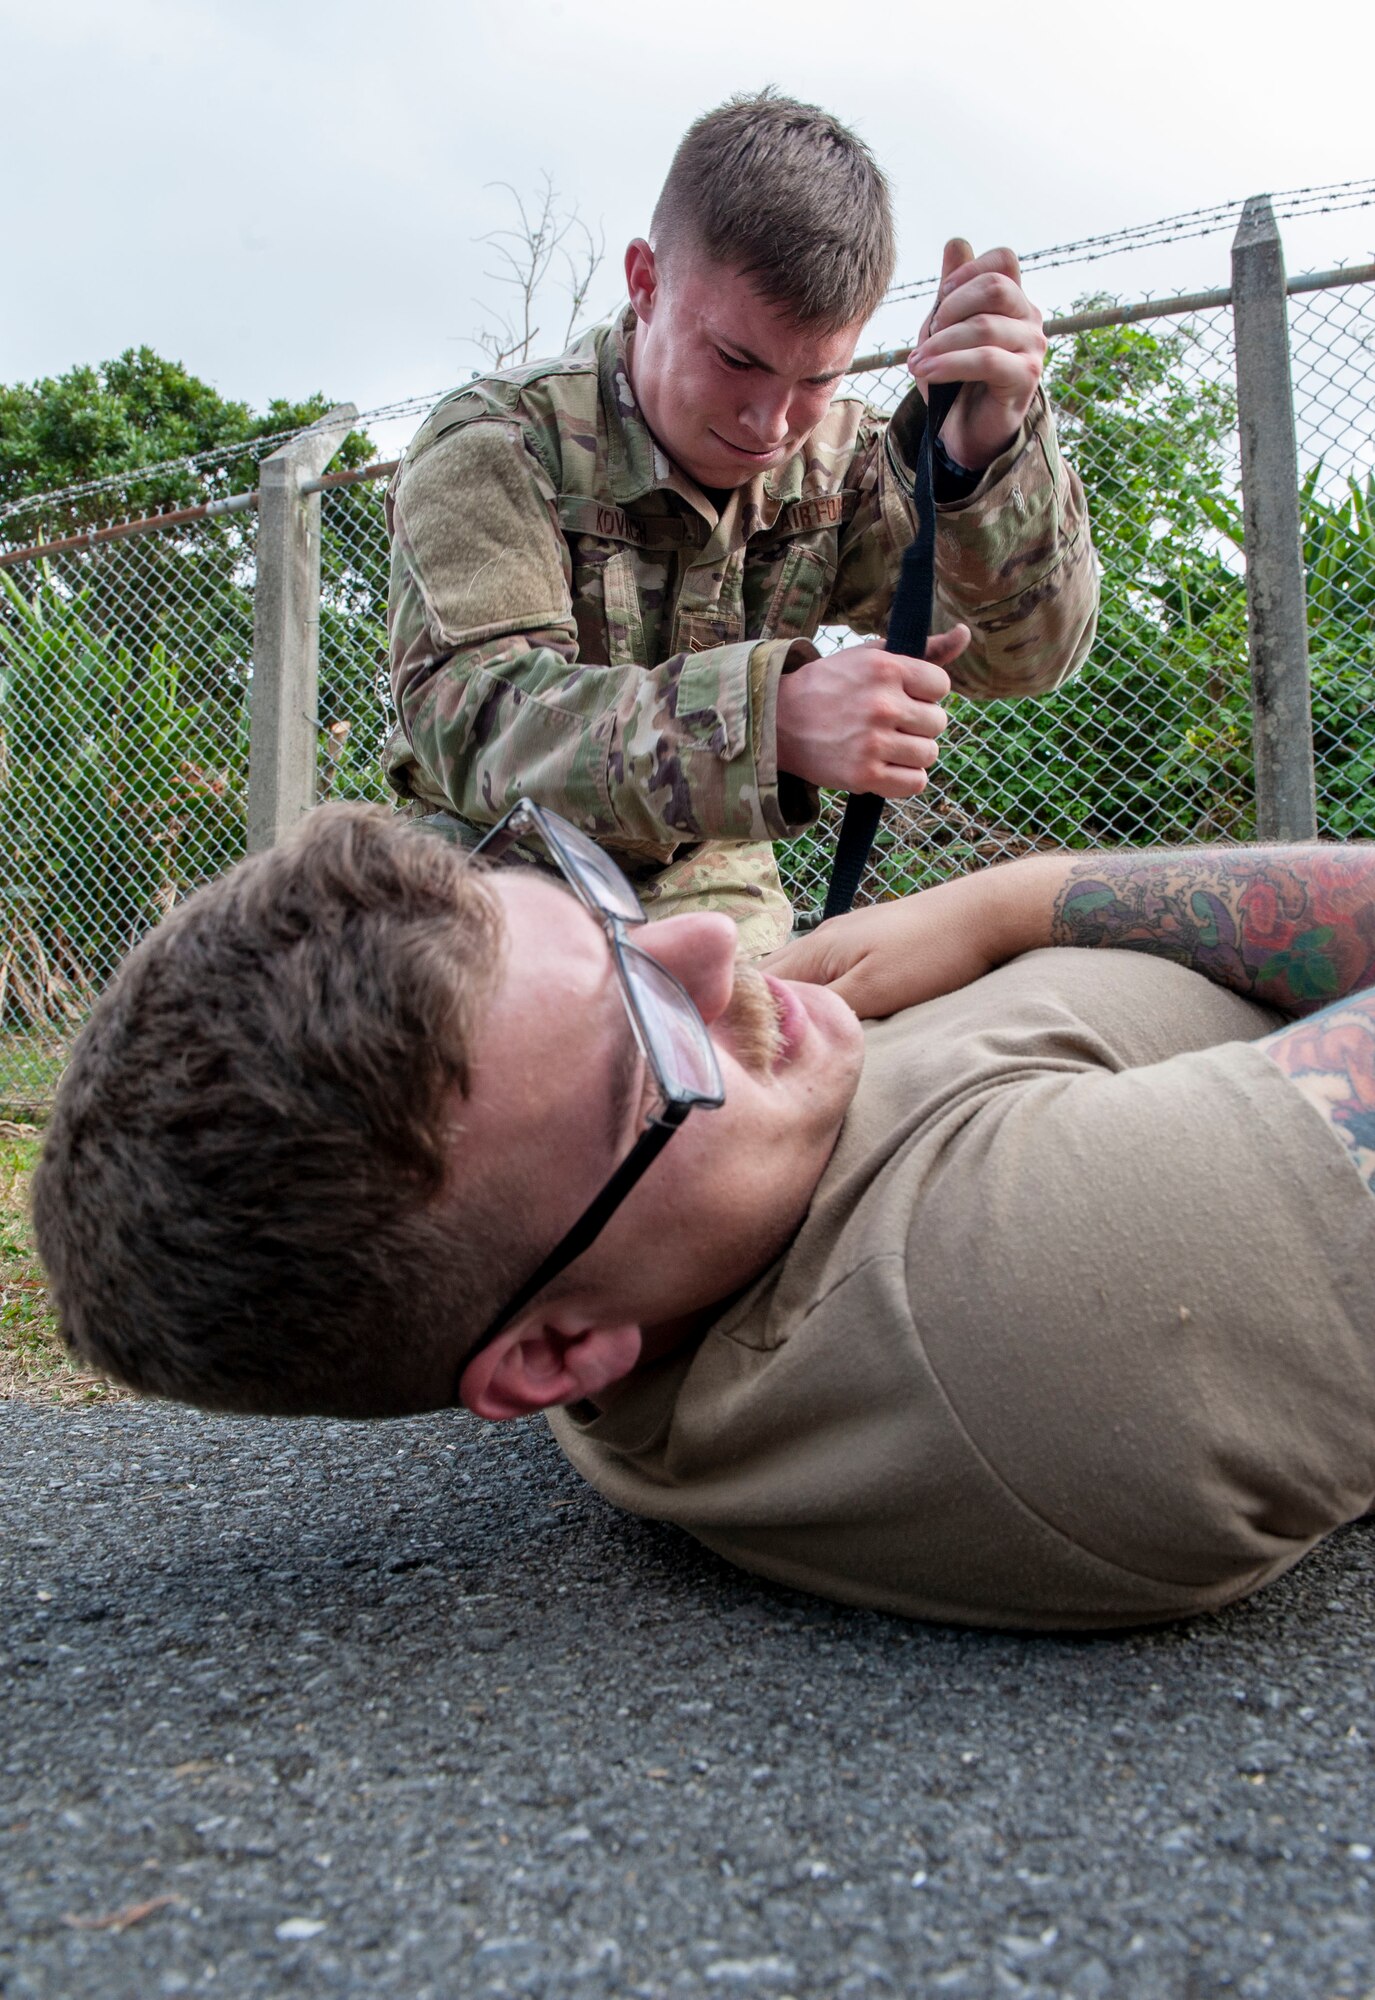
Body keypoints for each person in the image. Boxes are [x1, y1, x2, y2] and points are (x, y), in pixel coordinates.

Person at [32, 802, 1375, 1633]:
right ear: (557, 1356)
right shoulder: (1027, 1294)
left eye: (607, 922)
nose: (713, 955)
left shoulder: (632, 1239)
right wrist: (1024, 896)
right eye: (650, 1062)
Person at [384, 90, 1098, 955]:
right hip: (491, 877)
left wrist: (981, 464)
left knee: (780, 1070)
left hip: (713, 898)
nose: (769, 423)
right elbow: (478, 720)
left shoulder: (843, 463)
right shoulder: (498, 446)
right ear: (644, 282)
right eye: (735, 360)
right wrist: (769, 723)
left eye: (816, 381)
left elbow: (1023, 657)